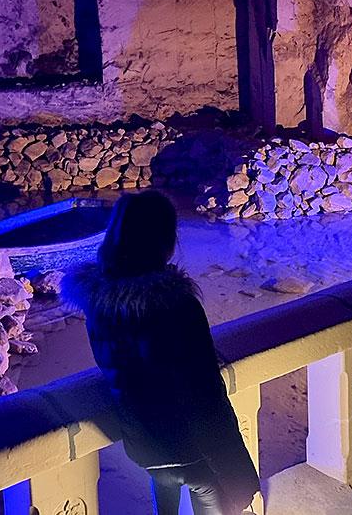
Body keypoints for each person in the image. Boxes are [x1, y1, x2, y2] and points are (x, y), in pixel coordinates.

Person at [62, 191, 259, 515]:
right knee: (214, 494)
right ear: (164, 241)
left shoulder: (99, 306)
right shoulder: (177, 305)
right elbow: (205, 390)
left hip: (144, 445)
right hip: (193, 445)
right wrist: (232, 461)